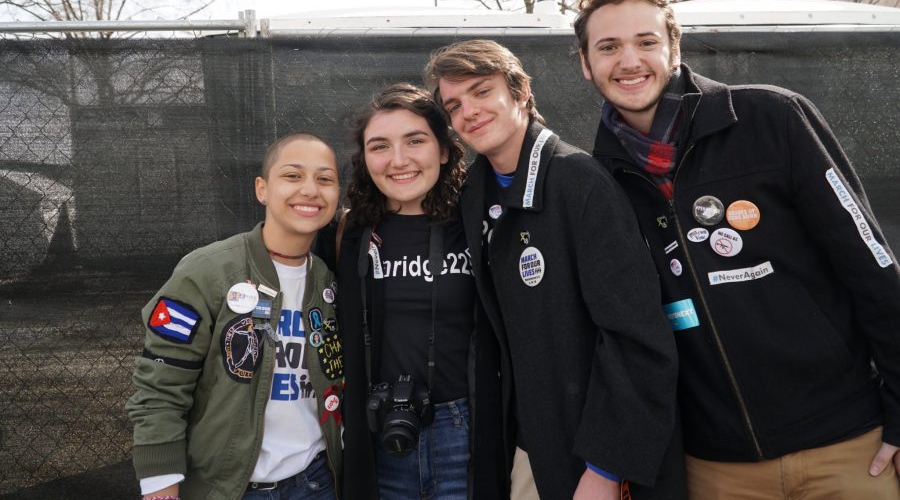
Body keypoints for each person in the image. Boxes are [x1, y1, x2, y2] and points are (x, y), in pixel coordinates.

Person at [576, 0, 900, 498]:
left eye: (646, 42)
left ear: (674, 47)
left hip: (848, 447)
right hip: (716, 468)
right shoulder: (598, 183)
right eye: (608, 47)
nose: (628, 61)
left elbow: (871, 265)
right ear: (586, 64)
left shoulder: (771, 118)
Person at [423, 40, 685, 500]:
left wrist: (606, 467)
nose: (469, 112)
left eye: (483, 92)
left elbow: (638, 338)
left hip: (595, 461)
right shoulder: (474, 195)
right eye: (454, 105)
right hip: (529, 449)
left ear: (522, 91)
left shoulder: (578, 180)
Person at [125, 132, 344, 500]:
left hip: (315, 482)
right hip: (230, 489)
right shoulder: (206, 272)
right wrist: (160, 481)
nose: (310, 189)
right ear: (262, 188)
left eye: (325, 179)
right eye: (293, 176)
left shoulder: (329, 281)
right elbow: (160, 385)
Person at [336, 83, 506, 499]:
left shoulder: (480, 225)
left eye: (415, 141)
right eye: (380, 146)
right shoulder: (346, 235)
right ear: (364, 159)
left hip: (465, 429)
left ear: (444, 150)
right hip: (378, 431)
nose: (399, 160)